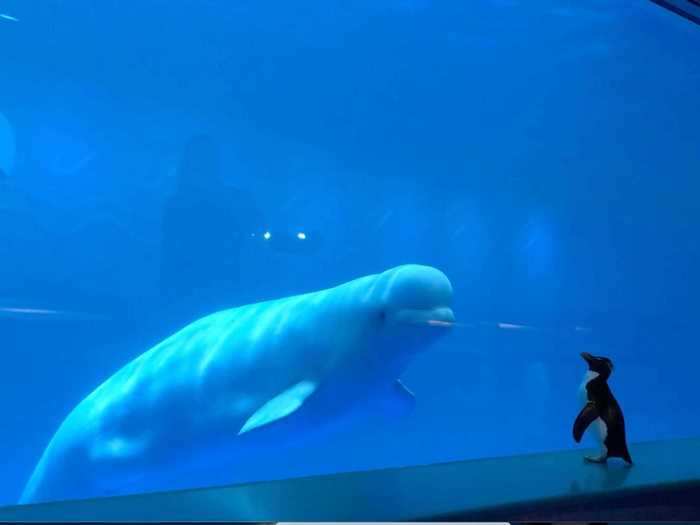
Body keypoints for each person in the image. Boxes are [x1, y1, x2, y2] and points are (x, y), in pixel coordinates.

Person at [159, 135, 264, 322]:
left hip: (222, 283)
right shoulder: (176, 202)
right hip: (189, 285)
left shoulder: (176, 202)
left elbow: (255, 229)